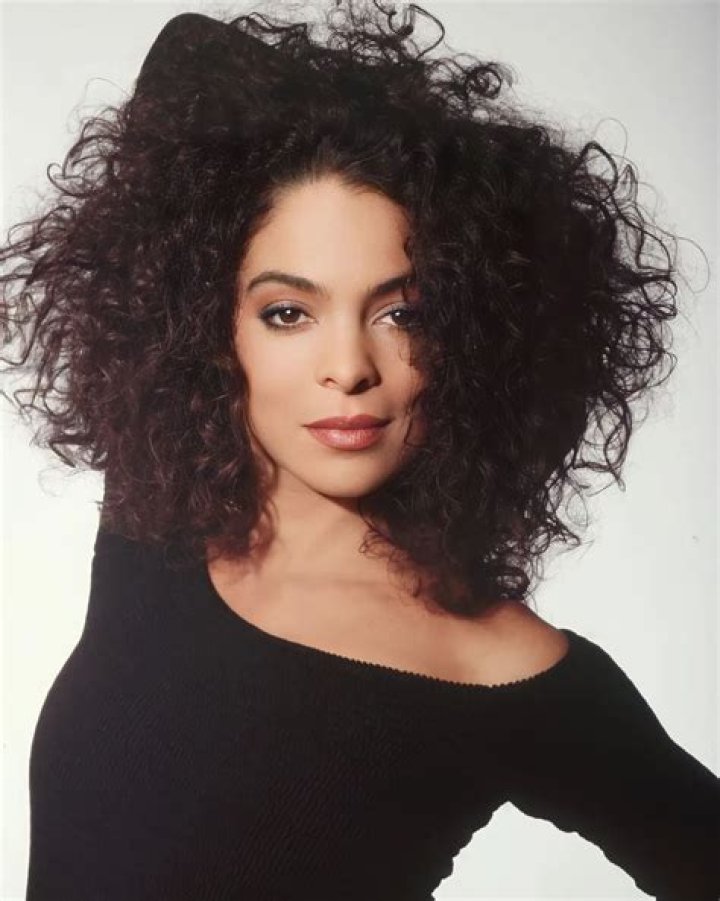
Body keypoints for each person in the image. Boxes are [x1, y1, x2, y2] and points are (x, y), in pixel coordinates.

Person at [2, 2, 717, 899]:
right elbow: (189, 52)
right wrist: (344, 132)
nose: (348, 367)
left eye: (402, 312)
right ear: (208, 324)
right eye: (288, 312)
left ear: (476, 332)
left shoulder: (499, 668)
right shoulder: (159, 527)